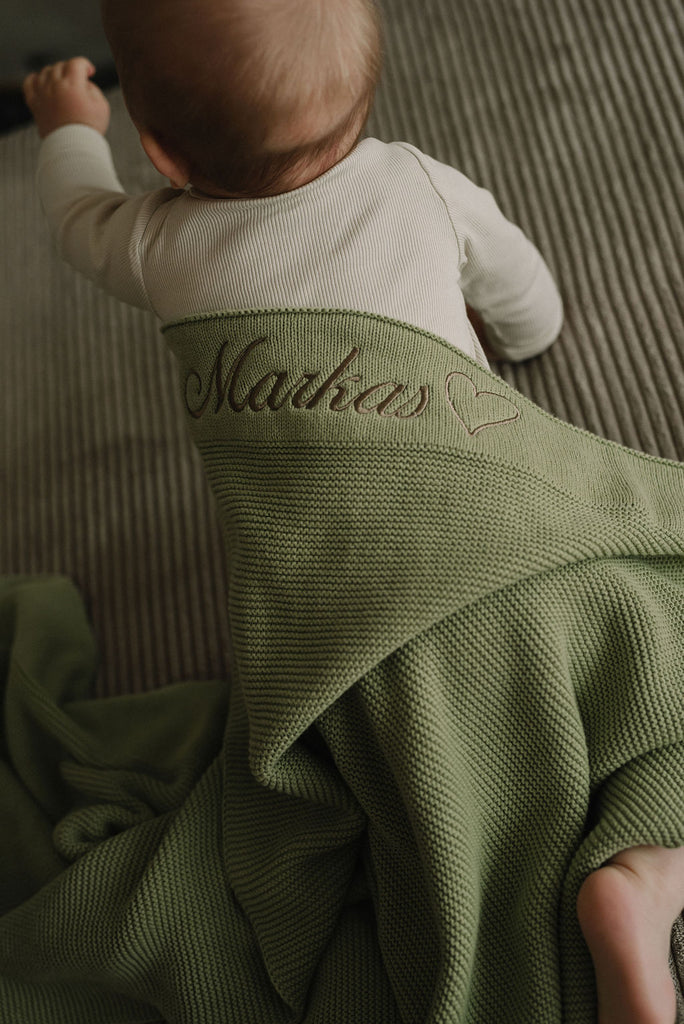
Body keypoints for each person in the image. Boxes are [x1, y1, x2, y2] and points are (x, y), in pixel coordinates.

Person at [20, 1, 684, 1021]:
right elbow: (526, 296)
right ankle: (644, 868)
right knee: (648, 657)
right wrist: (517, 336)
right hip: (523, 543)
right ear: (365, 90)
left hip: (344, 642)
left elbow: (73, 220)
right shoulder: (416, 182)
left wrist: (69, 123)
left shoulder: (157, 242)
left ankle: (629, 888)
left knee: (425, 806)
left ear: (157, 148)